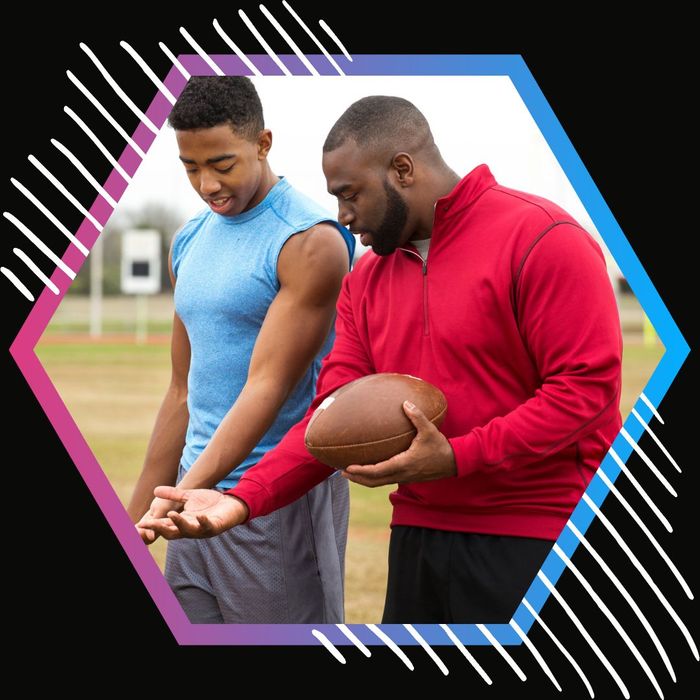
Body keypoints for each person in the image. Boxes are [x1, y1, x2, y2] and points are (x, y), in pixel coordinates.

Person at [141, 96, 622, 623]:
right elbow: (326, 420)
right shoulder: (365, 280)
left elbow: (585, 395)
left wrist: (460, 456)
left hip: (541, 531)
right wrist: (243, 499)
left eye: (351, 196)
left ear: (402, 169)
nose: (343, 218)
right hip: (417, 535)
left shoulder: (546, 239)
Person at [126, 76, 355, 624]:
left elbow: (267, 386)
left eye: (223, 164)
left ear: (263, 143)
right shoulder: (188, 240)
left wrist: (183, 493)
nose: (206, 184)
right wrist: (136, 521)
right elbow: (182, 391)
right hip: (192, 493)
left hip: (273, 497)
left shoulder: (309, 240)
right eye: (190, 167)